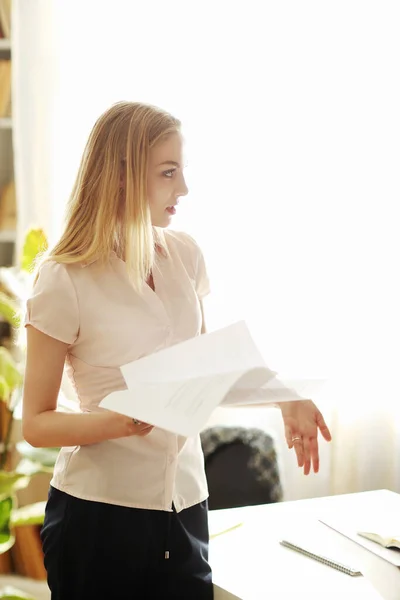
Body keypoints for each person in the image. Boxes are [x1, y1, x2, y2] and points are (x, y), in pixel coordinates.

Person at [22, 101, 332, 600]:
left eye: (181, 172)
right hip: (100, 516)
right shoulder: (64, 277)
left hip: (186, 505)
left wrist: (285, 396)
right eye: (168, 173)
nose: (182, 189)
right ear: (121, 177)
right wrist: (120, 421)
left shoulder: (184, 255)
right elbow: (35, 424)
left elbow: (205, 371)